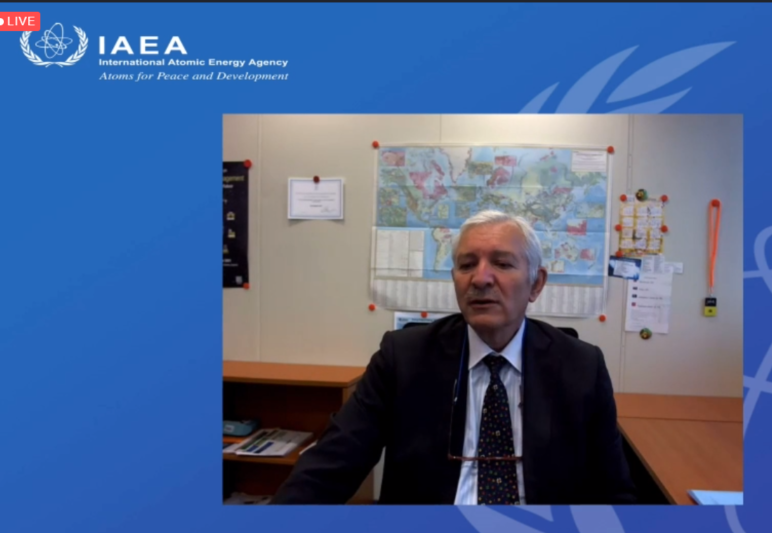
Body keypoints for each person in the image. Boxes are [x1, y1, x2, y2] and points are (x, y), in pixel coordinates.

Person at [271, 210, 636, 505]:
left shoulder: (581, 367)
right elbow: (332, 463)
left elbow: (614, 492)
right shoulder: (403, 358)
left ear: (536, 283)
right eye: (466, 265)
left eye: (503, 264)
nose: (480, 279)